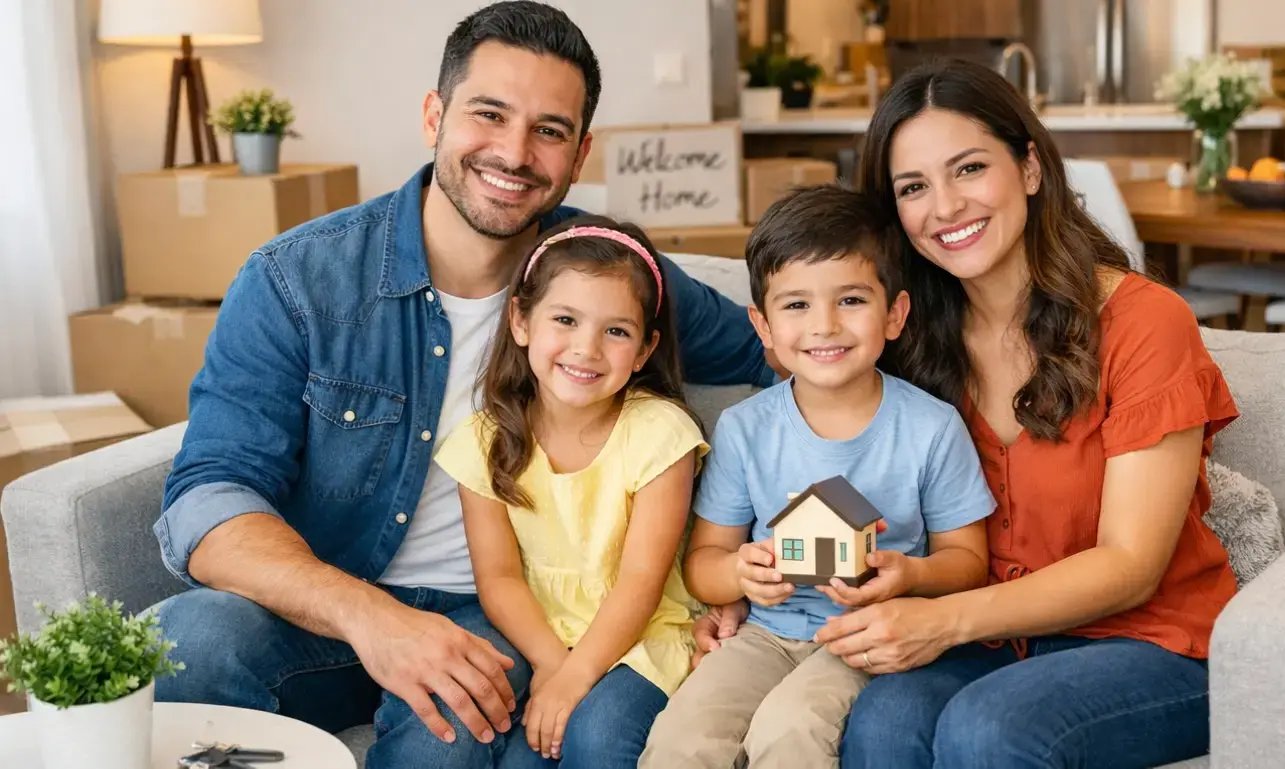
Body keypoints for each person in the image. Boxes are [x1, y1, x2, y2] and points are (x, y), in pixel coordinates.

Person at [151, 2, 772, 765]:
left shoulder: (607, 276)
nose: (514, 152)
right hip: (326, 606)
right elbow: (208, 497)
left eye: (548, 129)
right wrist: (369, 616)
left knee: (445, 733)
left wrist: (740, 565)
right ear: (434, 116)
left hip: (496, 616)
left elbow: (791, 351)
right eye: (489, 114)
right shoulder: (298, 279)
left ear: (579, 156)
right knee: (187, 641)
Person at [695, 59, 1242, 768]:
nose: (946, 206)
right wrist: (737, 594)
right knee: (880, 725)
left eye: (969, 169)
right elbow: (792, 368)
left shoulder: (1144, 322)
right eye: (913, 187)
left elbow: (1131, 565)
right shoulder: (901, 334)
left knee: (990, 729)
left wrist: (941, 619)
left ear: (1031, 167)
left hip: (1147, 642)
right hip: (984, 640)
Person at [641, 185, 995, 769]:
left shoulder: (932, 428)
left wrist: (909, 573)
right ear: (763, 326)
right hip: (763, 636)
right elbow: (703, 565)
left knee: (792, 732)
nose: (824, 326)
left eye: (851, 300)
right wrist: (739, 573)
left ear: (895, 314)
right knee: (681, 738)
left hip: (868, 635)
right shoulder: (745, 429)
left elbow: (968, 560)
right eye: (797, 305)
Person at [403, 216, 706, 768]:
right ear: (520, 320)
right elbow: (497, 578)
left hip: (638, 641)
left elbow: (642, 581)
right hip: (539, 639)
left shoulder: (662, 434)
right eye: (565, 319)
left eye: (616, 331)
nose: (586, 349)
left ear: (644, 349)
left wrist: (576, 676)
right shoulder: (484, 442)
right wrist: (550, 667)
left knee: (597, 735)